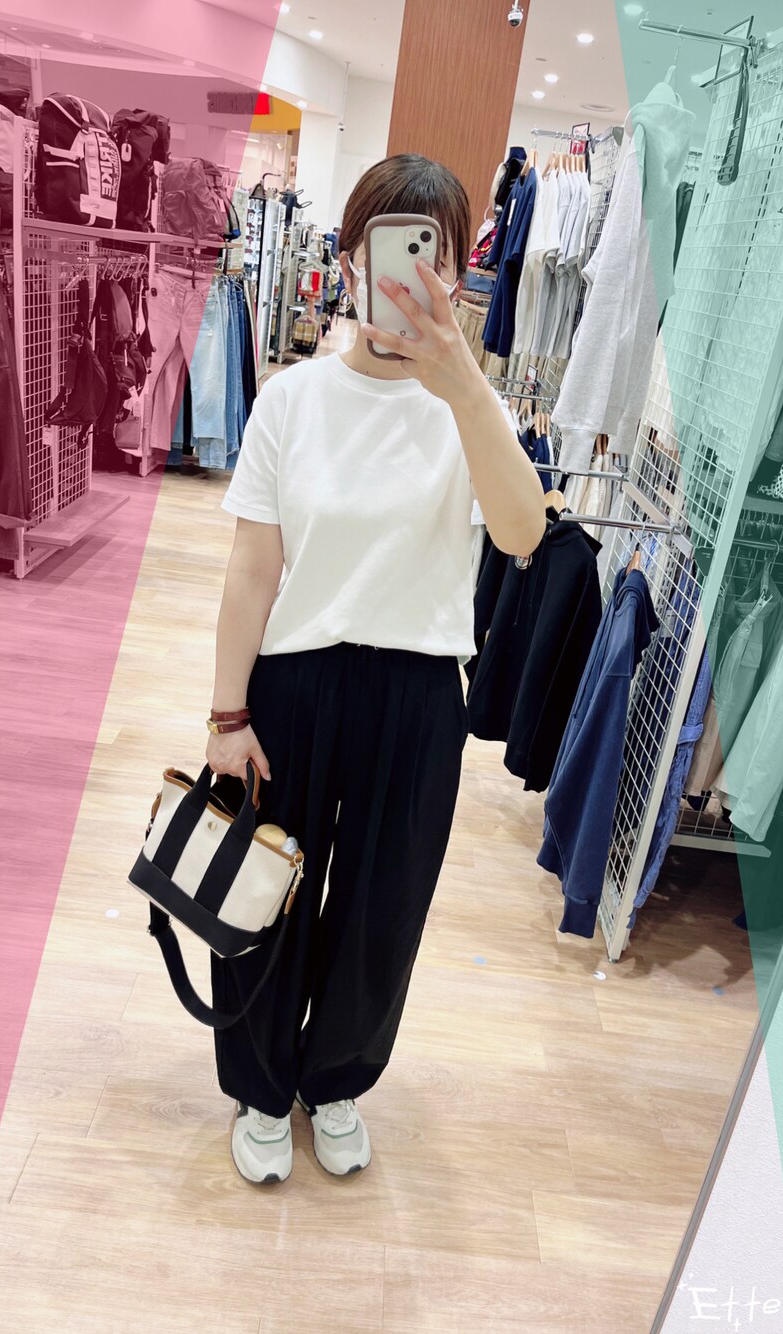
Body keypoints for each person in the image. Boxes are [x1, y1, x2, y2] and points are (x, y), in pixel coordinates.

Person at [206, 153, 545, 1184]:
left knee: (384, 904)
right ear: (351, 257)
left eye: (429, 254)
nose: (405, 275)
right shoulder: (291, 400)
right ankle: (261, 1084)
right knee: (267, 890)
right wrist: (226, 715)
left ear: (455, 270)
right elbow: (252, 569)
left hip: (418, 693)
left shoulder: (467, 410)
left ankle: (338, 1075)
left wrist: (466, 385)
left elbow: (522, 532)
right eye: (387, 247)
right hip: (297, 681)